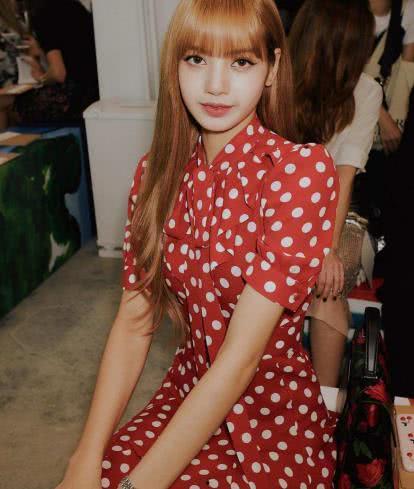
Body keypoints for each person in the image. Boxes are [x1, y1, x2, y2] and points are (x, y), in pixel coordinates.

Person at [55, 1, 339, 488]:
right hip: (184, 397)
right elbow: (134, 323)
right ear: (175, 65)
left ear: (272, 69)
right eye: (196, 59)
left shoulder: (298, 172)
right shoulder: (155, 174)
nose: (215, 85)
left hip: (271, 421)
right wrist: (84, 457)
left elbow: (239, 360)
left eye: (241, 62)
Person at [289, 0, 383, 387]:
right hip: (277, 206)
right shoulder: (276, 80)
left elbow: (344, 179)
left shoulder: (366, 92)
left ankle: (325, 400)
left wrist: (326, 250)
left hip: (337, 212)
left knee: (331, 279)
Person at [12, 0, 99, 123]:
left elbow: (58, 74)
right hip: (95, 89)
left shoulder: (41, 14)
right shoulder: (73, 5)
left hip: (75, 98)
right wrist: (41, 51)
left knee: (17, 103)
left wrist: (41, 78)